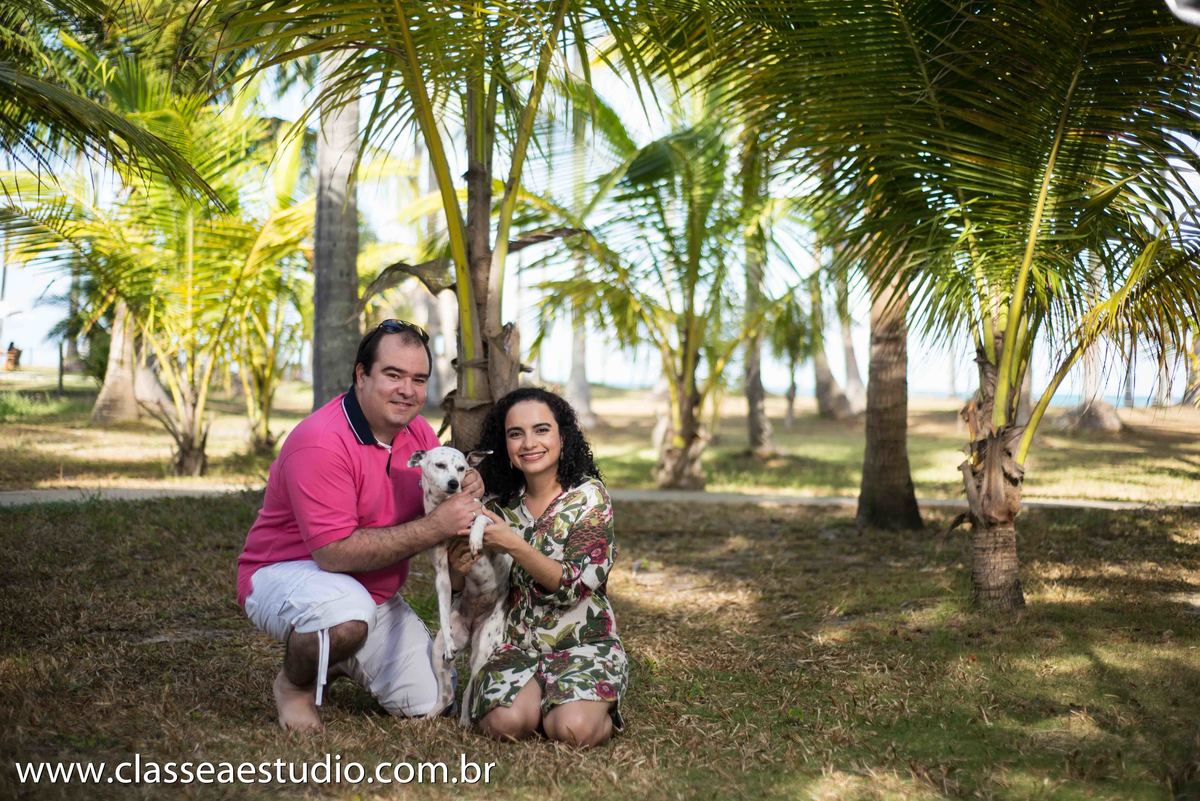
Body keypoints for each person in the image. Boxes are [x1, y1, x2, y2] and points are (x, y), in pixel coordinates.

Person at [236, 320, 484, 732]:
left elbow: (447, 493)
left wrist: (469, 484)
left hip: (371, 592)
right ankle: (294, 686)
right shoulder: (320, 441)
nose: (408, 390)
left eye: (418, 379)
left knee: (428, 701)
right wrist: (434, 527)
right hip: (286, 572)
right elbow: (333, 554)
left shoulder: (418, 433)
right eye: (393, 375)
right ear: (361, 375)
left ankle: (331, 658)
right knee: (346, 618)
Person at [468, 387, 628, 748]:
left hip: (582, 642)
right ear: (504, 445)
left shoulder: (588, 497)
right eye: (515, 433)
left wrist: (513, 543)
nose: (529, 443)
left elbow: (574, 585)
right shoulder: (498, 506)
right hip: (516, 644)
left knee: (573, 730)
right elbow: (472, 586)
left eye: (541, 430)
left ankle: (579, 703)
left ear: (562, 437)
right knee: (503, 724)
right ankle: (543, 700)